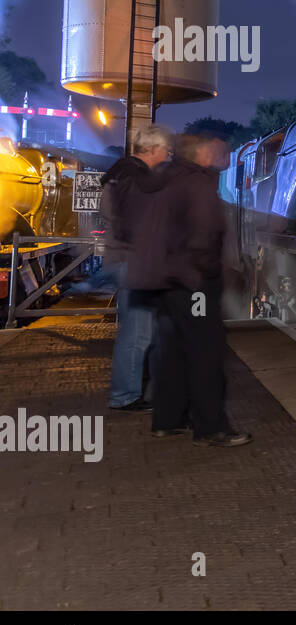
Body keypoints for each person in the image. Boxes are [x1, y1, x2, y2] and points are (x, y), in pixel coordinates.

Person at [130, 132, 251, 447]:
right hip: (193, 282)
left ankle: (167, 420)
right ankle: (212, 427)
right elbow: (204, 234)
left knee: (171, 351)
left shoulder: (163, 178)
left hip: (162, 280)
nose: (223, 155)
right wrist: (209, 274)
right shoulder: (197, 184)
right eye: (218, 150)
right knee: (205, 352)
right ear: (204, 154)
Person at [102, 124, 171, 411]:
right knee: (137, 333)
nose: (167, 155)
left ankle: (136, 387)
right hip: (134, 262)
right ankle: (125, 396)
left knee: (140, 330)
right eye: (165, 150)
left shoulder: (119, 173)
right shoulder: (136, 177)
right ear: (153, 149)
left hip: (124, 259)